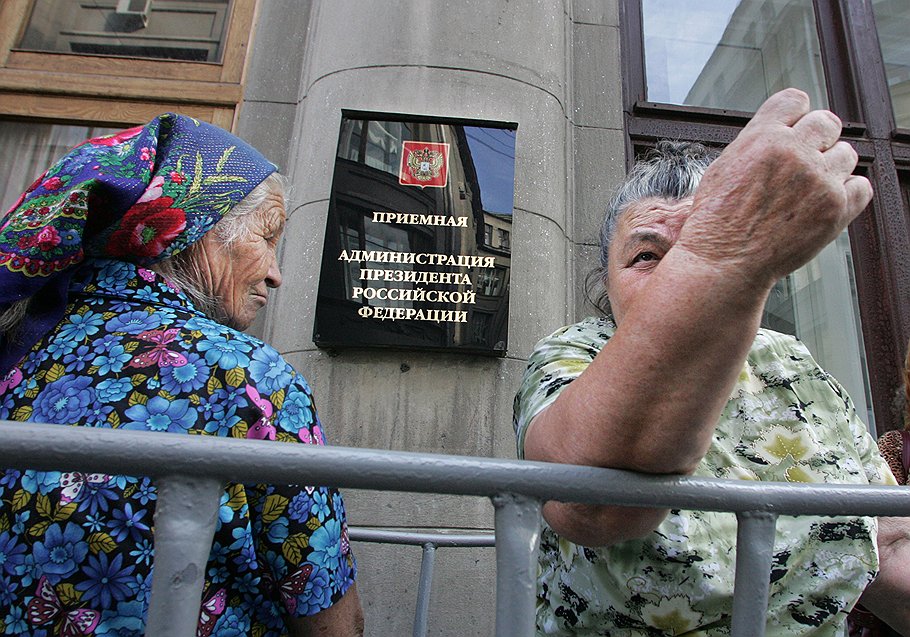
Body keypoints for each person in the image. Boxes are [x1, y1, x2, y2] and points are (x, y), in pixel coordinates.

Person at [513, 88, 910, 635]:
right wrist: (721, 252)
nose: (674, 278)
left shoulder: (790, 363)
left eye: (693, 253)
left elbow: (888, 543)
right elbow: (593, 508)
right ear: (605, 281)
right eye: (648, 256)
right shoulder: (573, 353)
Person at [0, 114, 363, 635]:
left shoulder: (22, 350)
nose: (276, 274)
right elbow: (330, 616)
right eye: (267, 237)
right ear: (197, 232)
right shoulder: (246, 376)